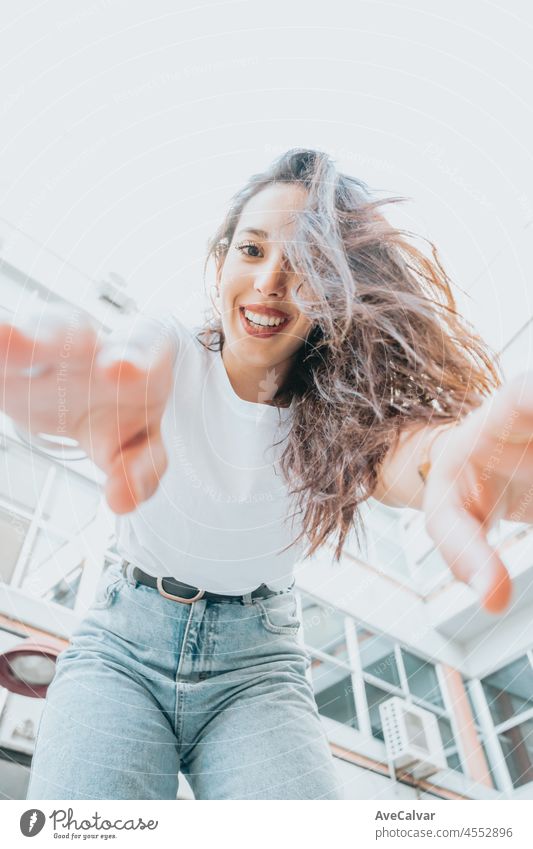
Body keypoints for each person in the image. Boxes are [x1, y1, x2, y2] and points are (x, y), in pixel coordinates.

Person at [1, 149, 531, 800]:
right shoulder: (167, 347)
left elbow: (403, 454)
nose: (270, 281)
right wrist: (63, 400)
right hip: (122, 645)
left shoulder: (337, 414)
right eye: (252, 250)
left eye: (305, 265)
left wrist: (449, 453)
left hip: (257, 667)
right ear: (219, 259)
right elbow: (117, 378)